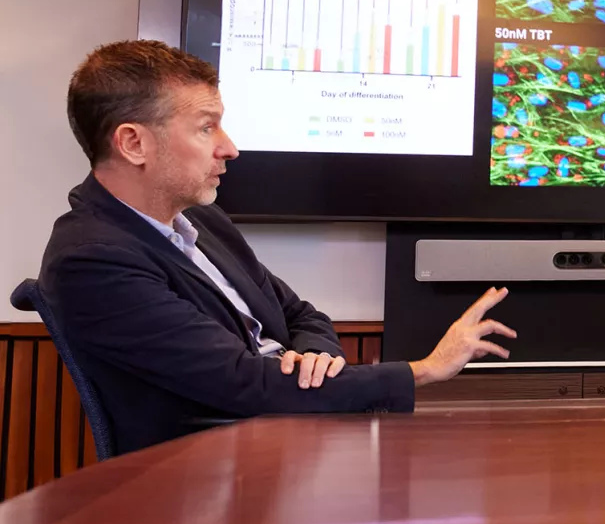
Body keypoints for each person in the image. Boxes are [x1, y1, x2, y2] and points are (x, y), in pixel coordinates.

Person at [39, 41, 518, 456]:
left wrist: (316, 358)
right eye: (207, 127)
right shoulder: (92, 259)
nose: (229, 148)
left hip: (289, 441)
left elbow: (303, 317)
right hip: (209, 481)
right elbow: (244, 384)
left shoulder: (204, 220)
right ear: (133, 143)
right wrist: (425, 370)